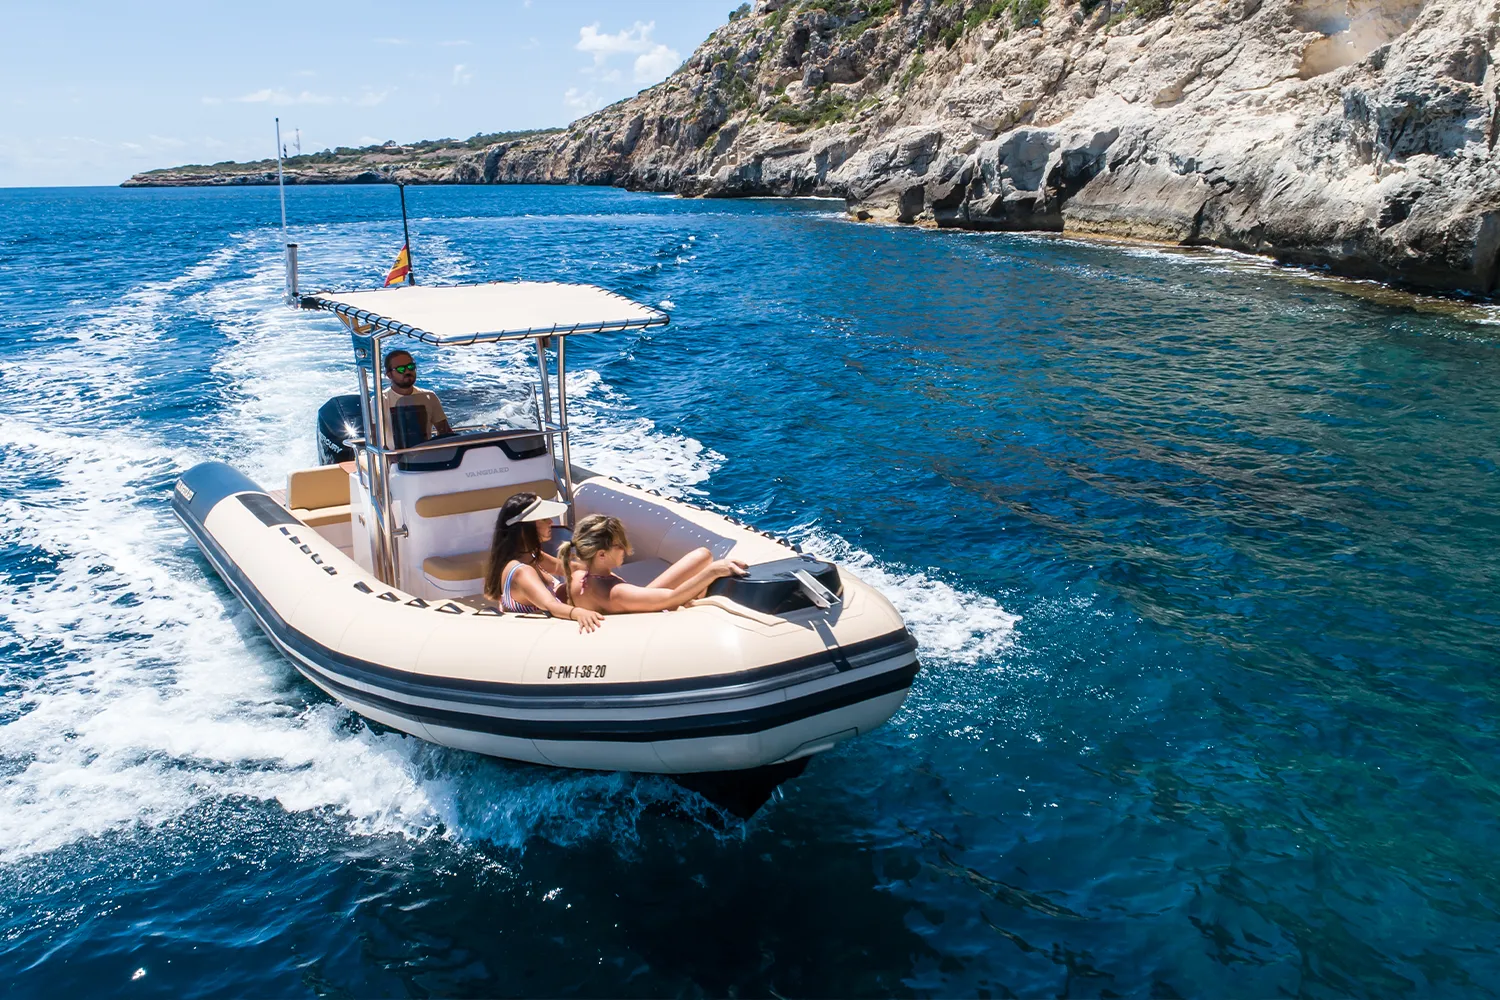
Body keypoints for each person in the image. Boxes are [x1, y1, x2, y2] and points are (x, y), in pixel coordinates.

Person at [558, 514, 748, 614]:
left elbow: (558, 593)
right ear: (601, 554)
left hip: (635, 604)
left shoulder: (577, 577)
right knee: (706, 569)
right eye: (620, 545)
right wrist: (714, 571)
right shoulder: (615, 592)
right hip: (649, 614)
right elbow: (671, 599)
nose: (625, 549)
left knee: (702, 555)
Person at [484, 492, 603, 633]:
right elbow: (550, 605)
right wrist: (579, 613)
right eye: (544, 519)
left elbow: (569, 568)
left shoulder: (531, 555)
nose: (551, 523)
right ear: (525, 528)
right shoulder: (522, 572)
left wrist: (603, 571)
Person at [382, 349, 453, 442]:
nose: (407, 371)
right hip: (393, 455)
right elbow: (375, 437)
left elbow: (444, 431)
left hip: (425, 454)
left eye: (411, 367)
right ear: (389, 375)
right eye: (401, 369)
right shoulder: (380, 400)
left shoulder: (429, 397)